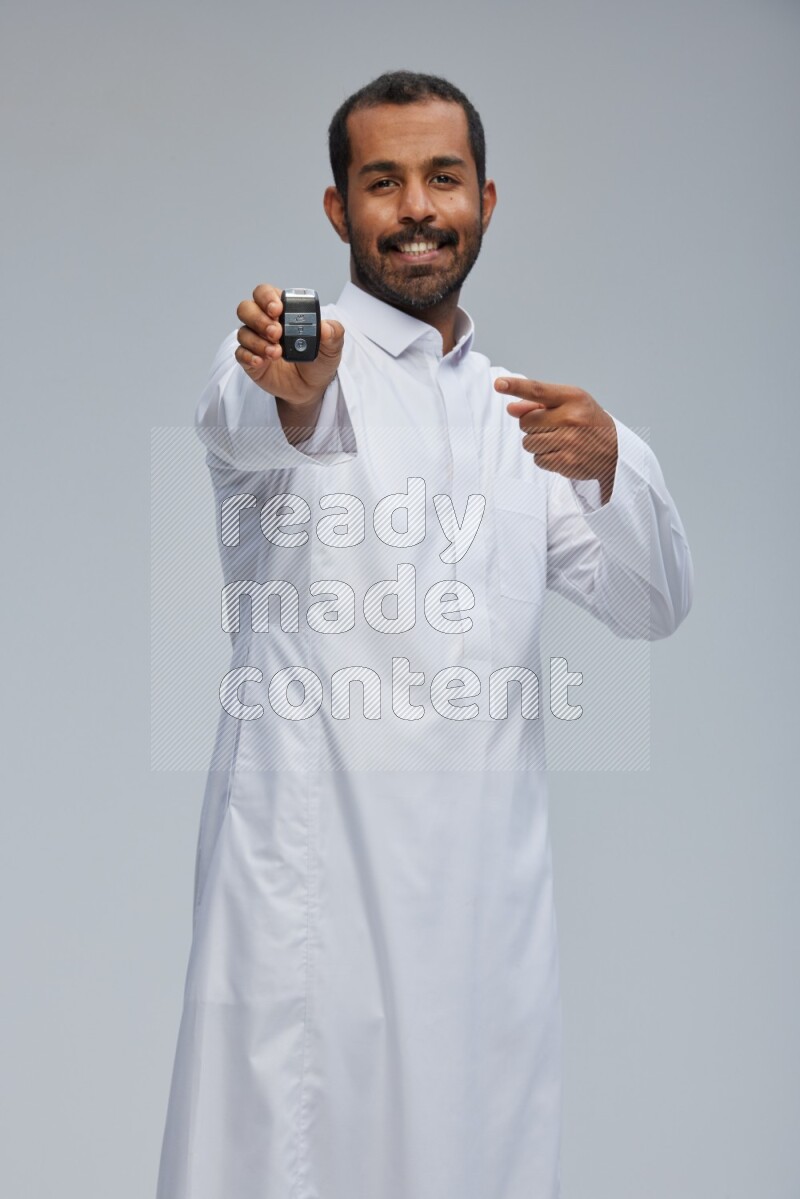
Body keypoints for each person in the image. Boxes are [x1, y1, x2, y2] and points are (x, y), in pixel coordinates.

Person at [156, 71, 693, 1199]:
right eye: (381, 180)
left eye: (440, 178)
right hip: (315, 895)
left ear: (485, 201)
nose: (413, 207)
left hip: (481, 909)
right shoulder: (295, 354)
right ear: (336, 209)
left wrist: (613, 467)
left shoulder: (521, 415)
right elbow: (255, 418)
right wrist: (294, 389)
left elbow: (650, 605)